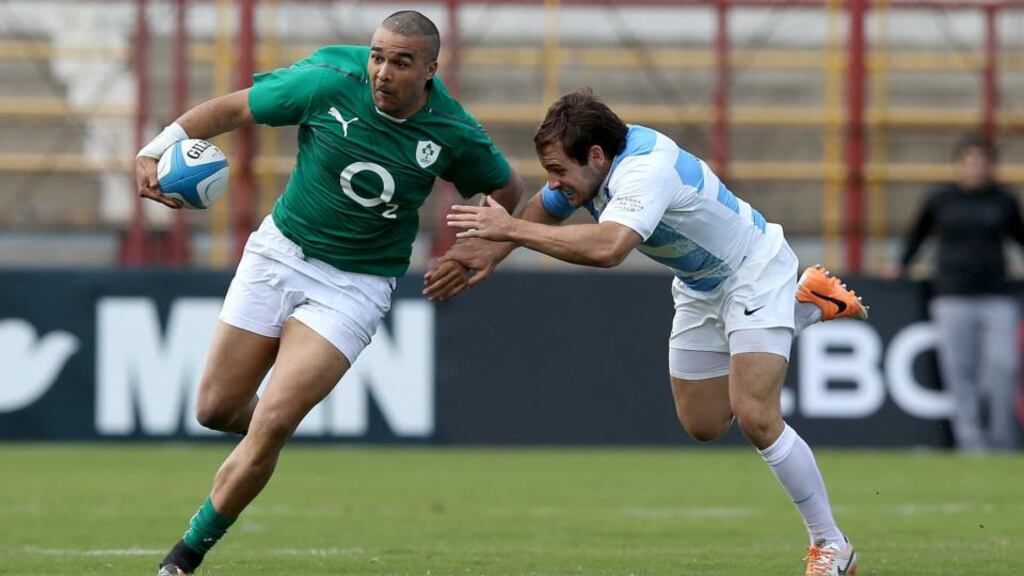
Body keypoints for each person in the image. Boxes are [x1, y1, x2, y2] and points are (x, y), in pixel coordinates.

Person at [134, 11, 523, 575]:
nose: (384, 72)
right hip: (279, 254)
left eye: (402, 62)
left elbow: (506, 187)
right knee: (215, 410)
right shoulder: (328, 81)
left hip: (356, 285)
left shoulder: (453, 132)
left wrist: (485, 248)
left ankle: (181, 559)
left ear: (432, 70)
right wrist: (156, 148)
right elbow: (236, 108)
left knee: (270, 426)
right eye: (378, 56)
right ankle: (271, 430)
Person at [444, 89, 866, 576]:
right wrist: (487, 255)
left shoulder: (645, 169)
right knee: (704, 423)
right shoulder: (593, 166)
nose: (555, 182)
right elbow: (547, 207)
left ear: (596, 156)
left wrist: (510, 232)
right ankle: (805, 306)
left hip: (755, 269)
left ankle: (831, 544)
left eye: (559, 170)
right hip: (700, 285)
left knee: (756, 416)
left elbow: (609, 249)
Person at [897, 133, 1023, 452]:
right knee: (959, 371)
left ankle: (1002, 438)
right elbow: (918, 236)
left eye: (981, 162)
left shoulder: (1003, 201)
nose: (975, 168)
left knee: (1002, 368)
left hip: (996, 294)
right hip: (951, 294)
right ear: (958, 165)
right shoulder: (941, 200)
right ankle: (971, 441)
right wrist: (901, 265)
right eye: (969, 162)